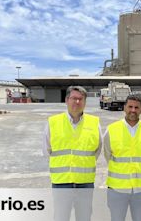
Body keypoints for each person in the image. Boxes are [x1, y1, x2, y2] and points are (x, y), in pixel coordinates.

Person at [43, 86, 102, 221]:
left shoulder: (94, 123)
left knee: (84, 217)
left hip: (85, 182)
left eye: (81, 99)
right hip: (61, 183)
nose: (77, 102)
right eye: (74, 98)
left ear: (85, 102)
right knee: (61, 217)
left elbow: (98, 149)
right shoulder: (53, 122)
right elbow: (46, 150)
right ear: (66, 100)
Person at [104, 94, 141, 221]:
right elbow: (107, 154)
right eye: (130, 106)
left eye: (137, 107)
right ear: (124, 108)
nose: (133, 110)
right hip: (117, 189)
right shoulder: (112, 129)